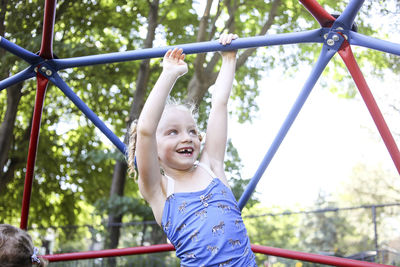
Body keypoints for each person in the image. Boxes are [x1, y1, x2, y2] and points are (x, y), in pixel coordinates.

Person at [128, 33, 257, 266]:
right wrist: (169, 74)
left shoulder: (212, 166)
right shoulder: (159, 189)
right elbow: (146, 129)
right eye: (172, 132)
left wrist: (228, 59)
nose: (187, 138)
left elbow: (220, 104)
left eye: (191, 131)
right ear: (152, 149)